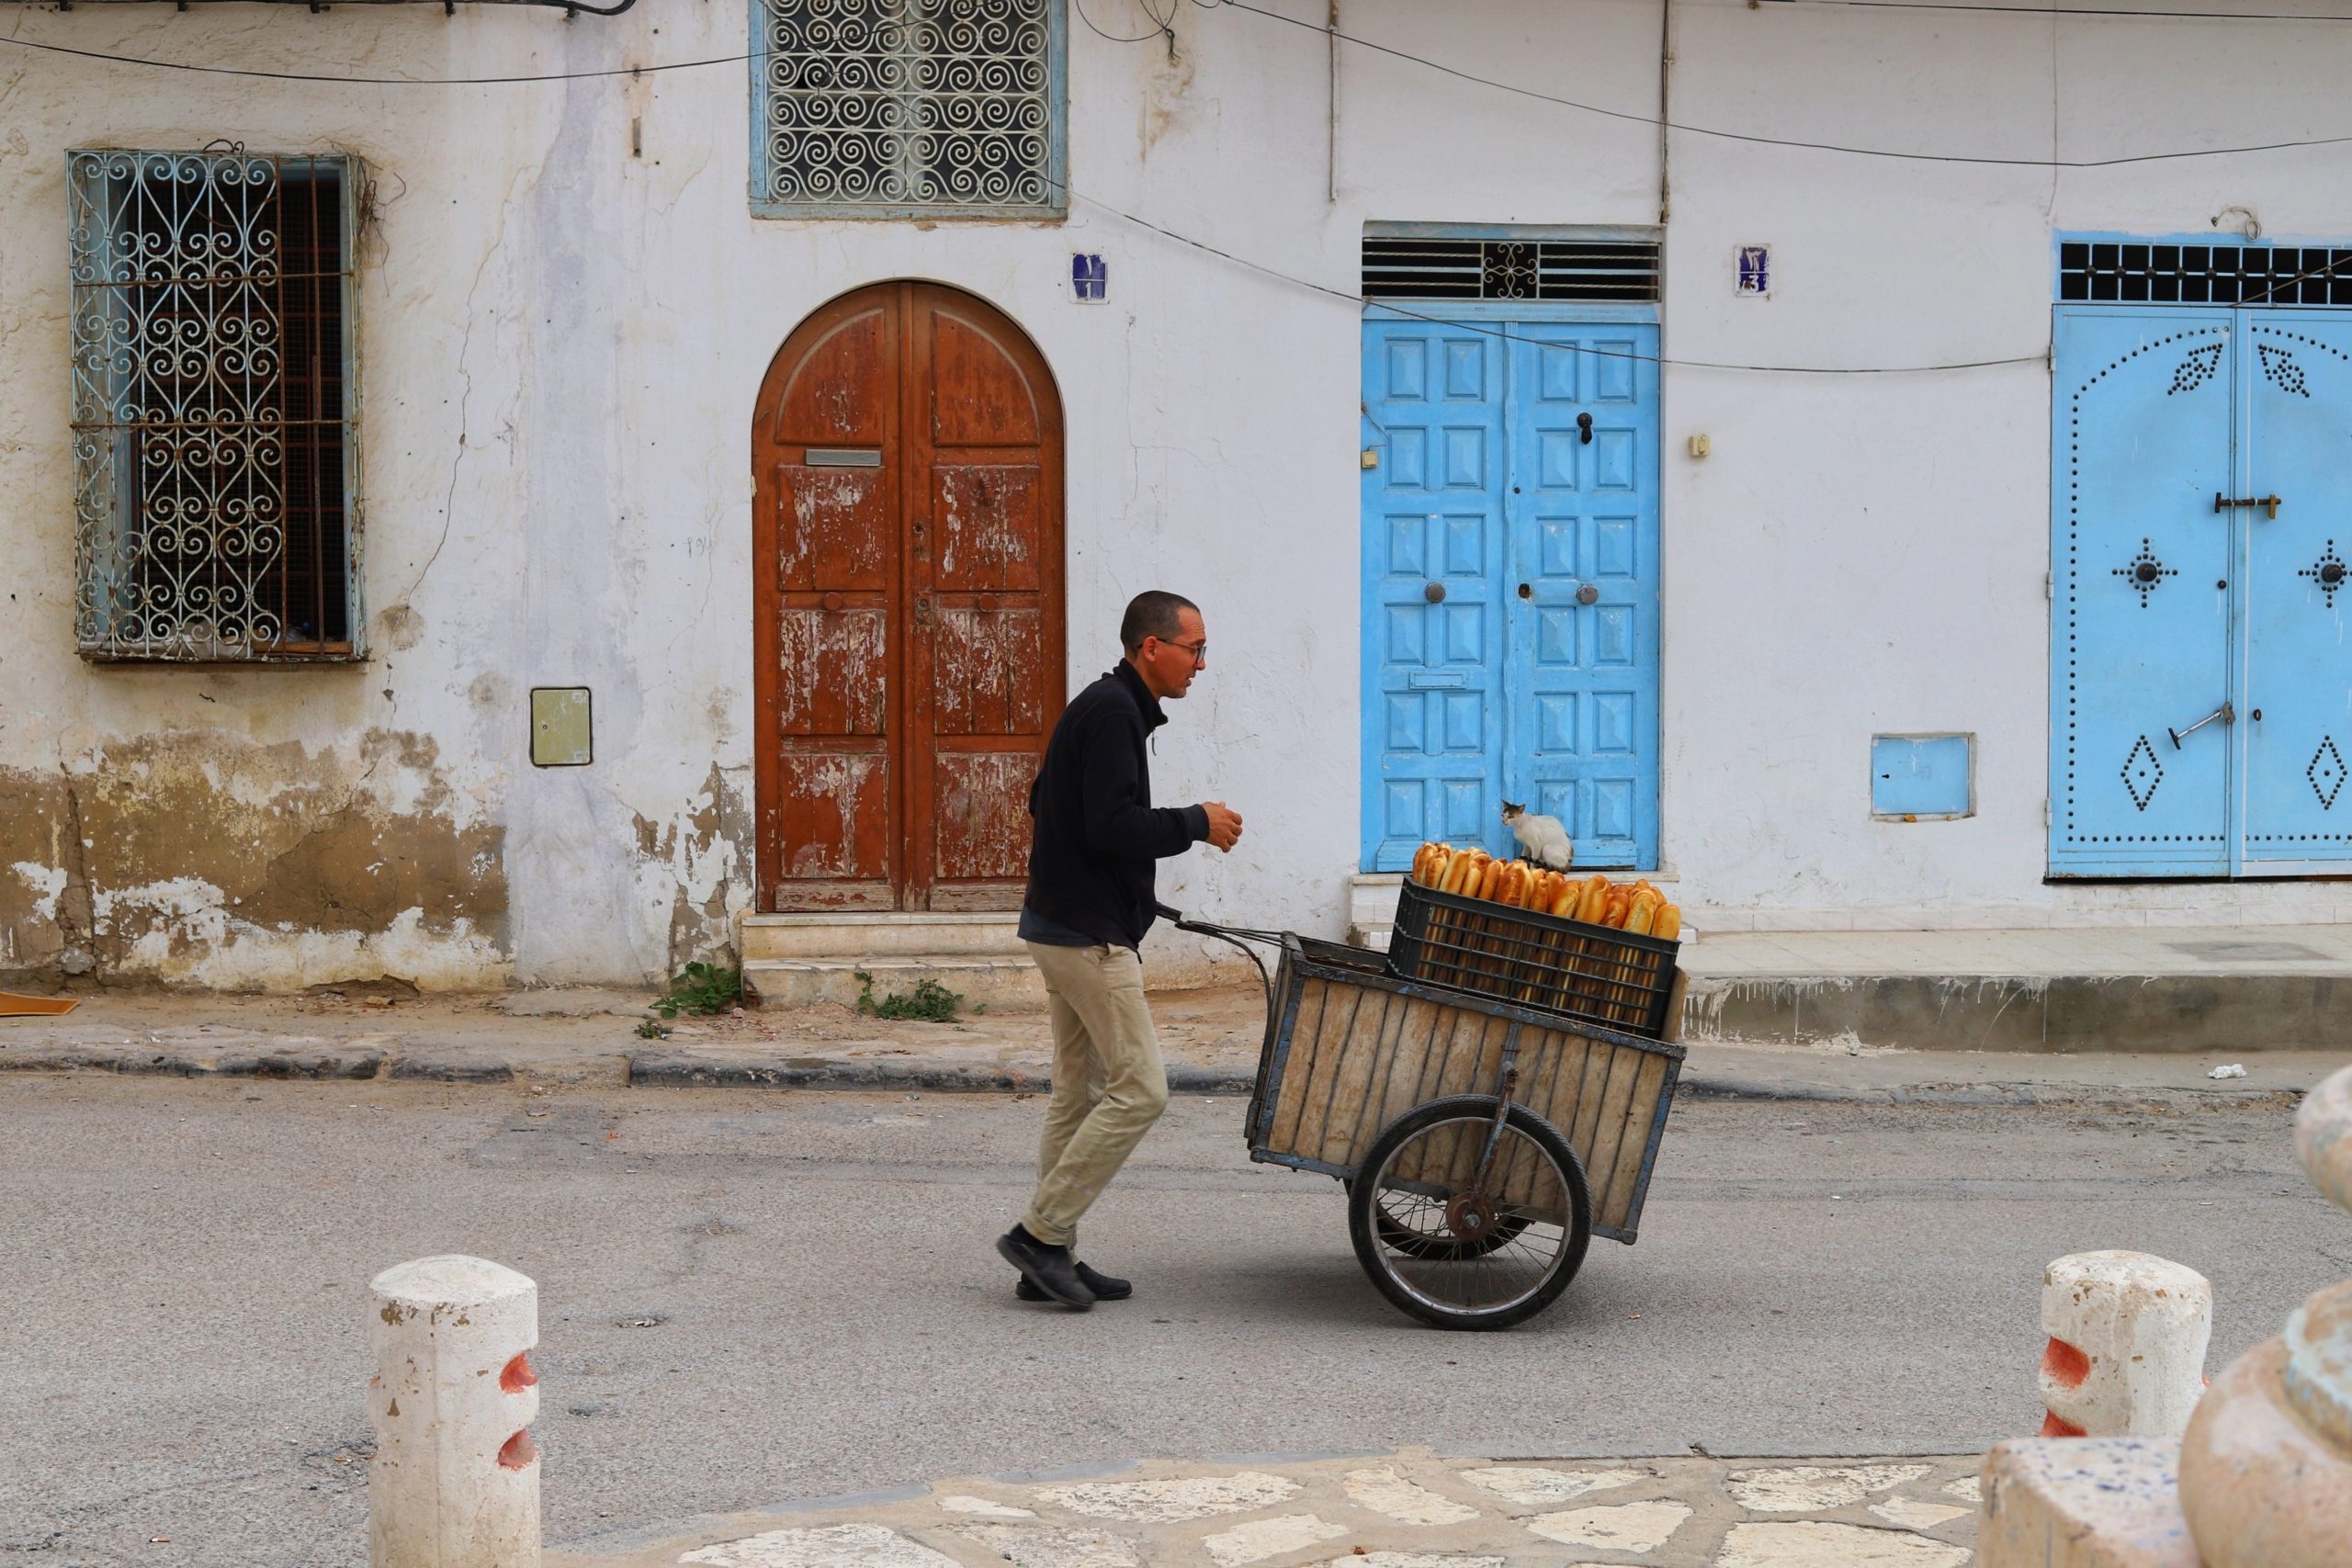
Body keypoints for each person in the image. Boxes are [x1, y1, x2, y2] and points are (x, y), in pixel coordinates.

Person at [995, 591, 1245, 1310]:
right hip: (1087, 937)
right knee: (1141, 1088)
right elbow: (1109, 824)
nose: (1201, 663)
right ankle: (1039, 1234)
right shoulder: (1111, 713)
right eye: (1194, 648)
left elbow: (1049, 801)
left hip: (1062, 924)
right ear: (1151, 648)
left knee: (1078, 1094)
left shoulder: (1110, 708)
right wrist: (1195, 820)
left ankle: (1052, 1254)